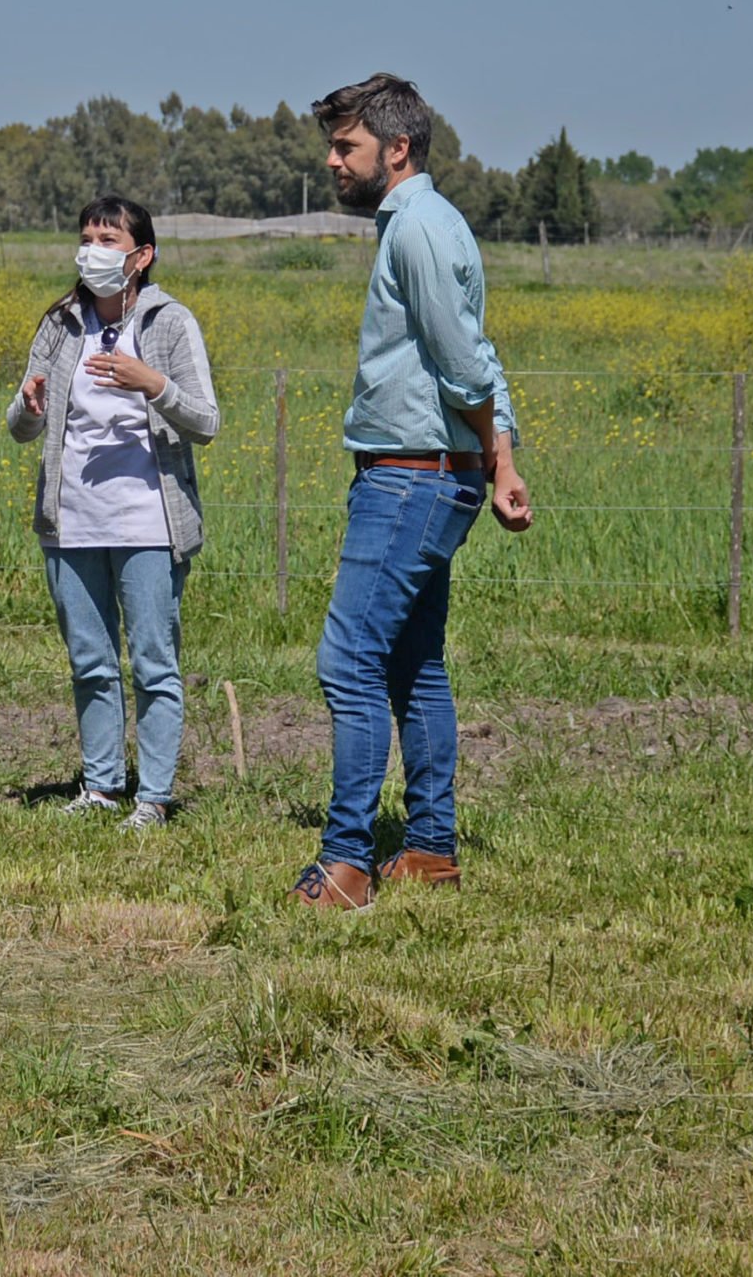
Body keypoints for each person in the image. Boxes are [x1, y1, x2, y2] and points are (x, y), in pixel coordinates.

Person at [295, 74, 531, 912]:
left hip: (413, 476)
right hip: (436, 471)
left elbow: (465, 364)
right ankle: (429, 847)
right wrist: (498, 465)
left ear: (396, 149)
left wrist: (494, 456)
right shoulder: (431, 223)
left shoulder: (418, 230)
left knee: (349, 658)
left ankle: (346, 863)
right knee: (411, 661)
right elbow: (477, 349)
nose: (333, 161)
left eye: (345, 146)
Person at [5, 196, 219, 830]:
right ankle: (101, 786)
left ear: (141, 256)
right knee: (90, 661)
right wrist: (30, 403)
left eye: (108, 240)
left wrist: (152, 383)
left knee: (154, 661)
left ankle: (153, 797)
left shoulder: (169, 323)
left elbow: (206, 422)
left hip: (148, 522)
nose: (94, 250)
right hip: (71, 521)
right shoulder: (61, 322)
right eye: (87, 238)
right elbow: (19, 427)